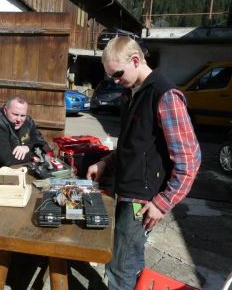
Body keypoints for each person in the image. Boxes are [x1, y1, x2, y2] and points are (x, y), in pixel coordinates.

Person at [86, 36, 201, 290]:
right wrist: (105, 162)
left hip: (142, 199)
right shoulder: (132, 93)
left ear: (135, 60)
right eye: (110, 77)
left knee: (120, 267)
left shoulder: (165, 95)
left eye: (117, 74)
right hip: (127, 190)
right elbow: (133, 145)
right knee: (129, 259)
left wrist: (163, 203)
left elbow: (190, 160)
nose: (115, 82)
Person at [0, 95, 50, 186]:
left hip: (14, 171)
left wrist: (28, 147)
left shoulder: (27, 122)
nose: (19, 119)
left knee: (46, 183)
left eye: (23, 115)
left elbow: (43, 145)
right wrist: (33, 154)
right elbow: (7, 160)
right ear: (5, 110)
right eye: (15, 114)